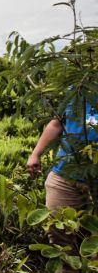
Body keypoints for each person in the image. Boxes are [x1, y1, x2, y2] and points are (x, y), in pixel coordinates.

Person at [27, 99, 97, 254]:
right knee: (57, 223)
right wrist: (35, 154)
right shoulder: (75, 89)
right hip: (65, 173)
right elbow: (56, 123)